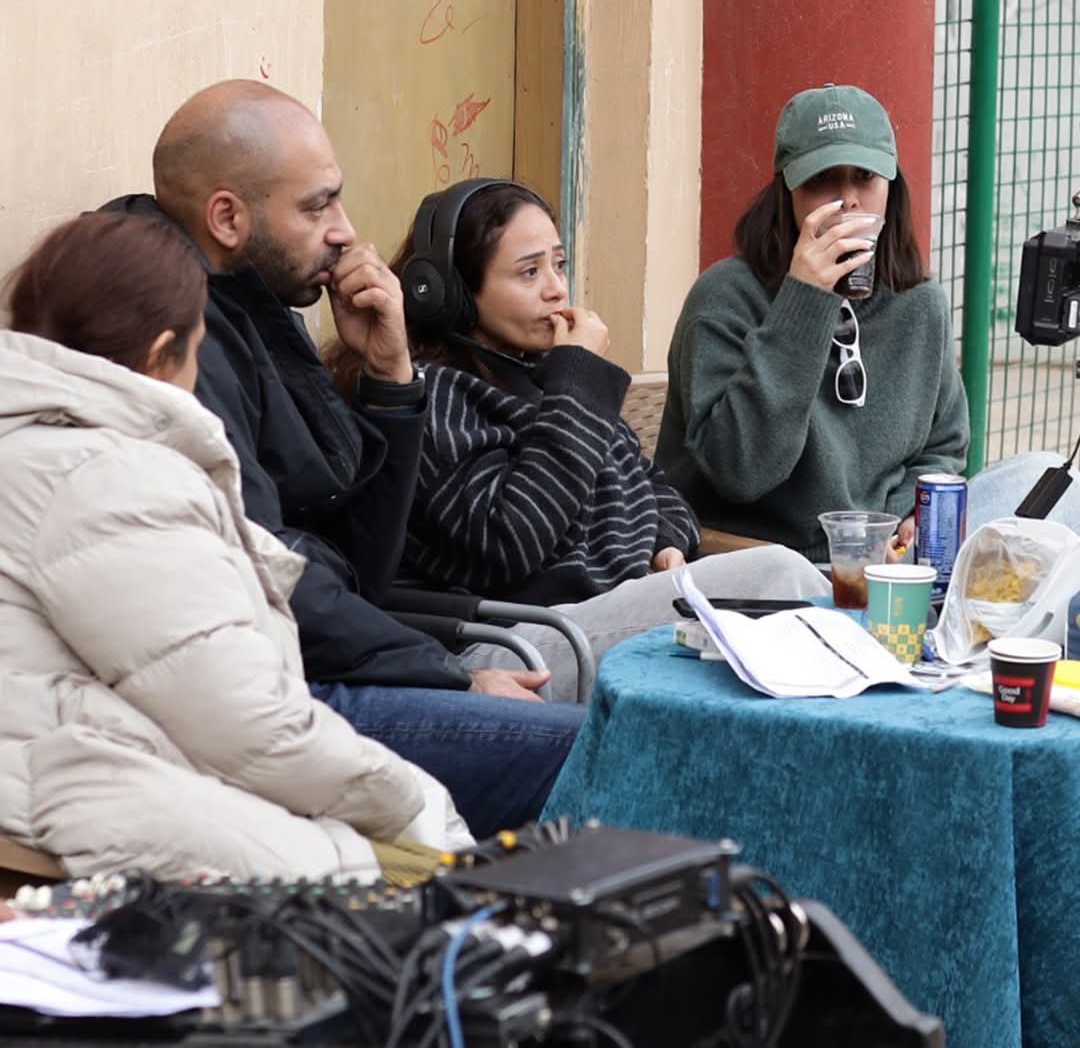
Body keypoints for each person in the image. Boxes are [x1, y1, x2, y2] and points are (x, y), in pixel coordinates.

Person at [102, 81, 584, 838]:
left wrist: (391, 379)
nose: (345, 231)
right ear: (227, 217)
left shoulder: (253, 304)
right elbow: (266, 573)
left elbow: (360, 562)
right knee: (604, 753)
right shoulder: (171, 334)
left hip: (317, 664)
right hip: (263, 707)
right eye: (316, 206)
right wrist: (450, 675)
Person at [0, 213, 471, 881]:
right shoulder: (113, 479)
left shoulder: (46, 448)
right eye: (199, 350)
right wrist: (415, 802)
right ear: (163, 352)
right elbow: (248, 724)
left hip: (94, 789)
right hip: (107, 813)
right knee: (450, 881)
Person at [324, 179, 830, 701]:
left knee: (805, 603)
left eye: (559, 265)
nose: (555, 289)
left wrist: (666, 540)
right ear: (453, 294)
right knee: (783, 578)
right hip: (514, 641)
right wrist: (581, 377)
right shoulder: (437, 395)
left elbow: (659, 492)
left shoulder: (546, 377)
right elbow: (511, 539)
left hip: (612, 611)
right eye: (529, 272)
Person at [656, 82, 1080, 564]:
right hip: (773, 561)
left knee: (1055, 481)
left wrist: (913, 511)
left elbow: (944, 445)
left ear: (891, 188)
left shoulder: (919, 304)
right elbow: (741, 471)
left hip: (890, 554)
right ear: (787, 192)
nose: (848, 201)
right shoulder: (725, 297)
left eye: (865, 178)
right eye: (822, 180)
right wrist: (804, 303)